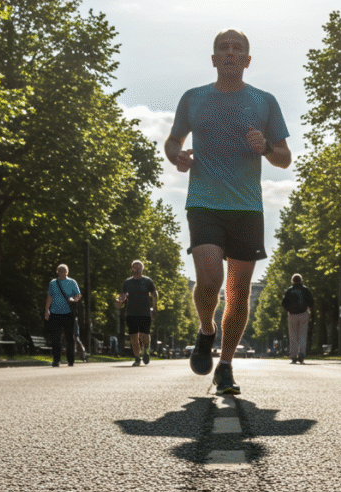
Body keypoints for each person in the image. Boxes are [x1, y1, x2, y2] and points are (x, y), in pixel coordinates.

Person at [165, 28, 291, 395]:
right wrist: (177, 156)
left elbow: (284, 158)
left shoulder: (265, 101)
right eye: (224, 47)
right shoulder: (193, 98)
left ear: (247, 60)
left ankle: (225, 366)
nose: (230, 52)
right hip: (203, 201)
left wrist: (265, 147)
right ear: (214, 59)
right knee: (209, 280)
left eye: (237, 48)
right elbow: (173, 141)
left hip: (247, 207)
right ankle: (207, 329)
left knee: (238, 293)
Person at [115, 260, 159, 366]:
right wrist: (120, 301)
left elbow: (154, 293)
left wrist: (154, 306)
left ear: (142, 269)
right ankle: (137, 358)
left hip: (145, 312)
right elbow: (122, 295)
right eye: (135, 267)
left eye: (139, 267)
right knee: (133, 336)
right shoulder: (127, 282)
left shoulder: (147, 281)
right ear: (132, 269)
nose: (137, 269)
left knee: (144, 335)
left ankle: (146, 350)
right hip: (131, 312)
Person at [44, 264, 82, 367]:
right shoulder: (53, 283)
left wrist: (73, 299)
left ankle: (71, 360)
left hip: (69, 314)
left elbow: (78, 295)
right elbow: (49, 297)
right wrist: (47, 310)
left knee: (70, 337)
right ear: (58, 272)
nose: (63, 273)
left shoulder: (72, 282)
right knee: (55, 338)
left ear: (67, 272)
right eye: (61, 271)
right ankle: (56, 360)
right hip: (55, 313)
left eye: (64, 271)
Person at [281, 273, 314, 364]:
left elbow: (284, 303)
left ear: (292, 280)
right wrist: (308, 308)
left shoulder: (289, 290)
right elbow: (311, 301)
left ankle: (293, 356)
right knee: (303, 335)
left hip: (292, 314)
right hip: (303, 313)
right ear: (301, 280)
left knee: (293, 336)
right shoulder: (305, 289)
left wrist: (289, 310)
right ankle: (302, 354)